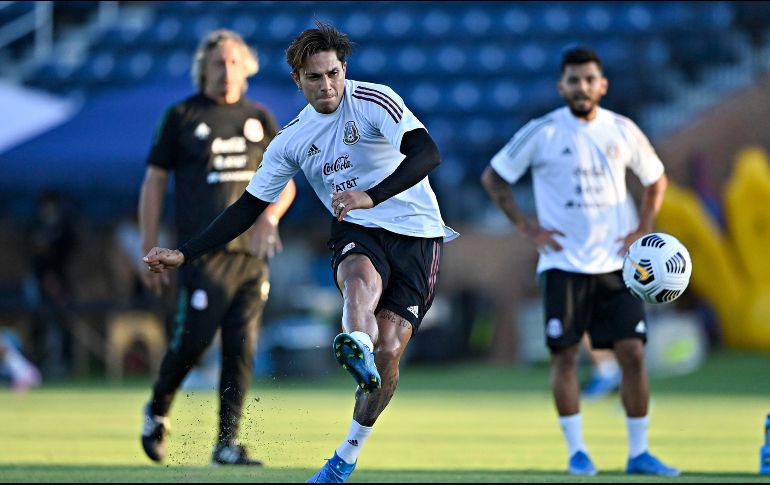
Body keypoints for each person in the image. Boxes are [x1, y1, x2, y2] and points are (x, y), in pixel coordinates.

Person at [143, 21, 457, 482]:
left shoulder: (374, 100)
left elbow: (427, 153)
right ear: (298, 79)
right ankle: (357, 344)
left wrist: (371, 195)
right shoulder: (291, 138)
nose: (327, 85)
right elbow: (248, 206)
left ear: (343, 69)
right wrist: (184, 253)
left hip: (417, 233)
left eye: (333, 73)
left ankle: (345, 456)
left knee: (392, 351)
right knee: (356, 282)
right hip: (359, 229)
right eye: (315, 77)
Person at [481, 46, 678, 477]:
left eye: (590, 79)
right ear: (561, 86)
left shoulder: (622, 130)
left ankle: (639, 452)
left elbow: (656, 179)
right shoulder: (544, 132)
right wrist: (527, 227)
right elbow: (494, 178)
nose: (582, 86)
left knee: (633, 355)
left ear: (602, 85)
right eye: (574, 79)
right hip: (563, 264)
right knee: (566, 358)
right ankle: (577, 452)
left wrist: (643, 227)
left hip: (620, 266)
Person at [138, 29, 297, 466]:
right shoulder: (181, 116)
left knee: (241, 346)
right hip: (201, 253)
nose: (225, 71)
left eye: (232, 63)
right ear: (202, 69)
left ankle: (227, 443)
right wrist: (149, 245)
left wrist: (270, 216)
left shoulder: (260, 119)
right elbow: (154, 183)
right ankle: (157, 409)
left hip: (249, 255)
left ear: (246, 68)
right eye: (216, 63)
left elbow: (285, 184)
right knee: (193, 341)